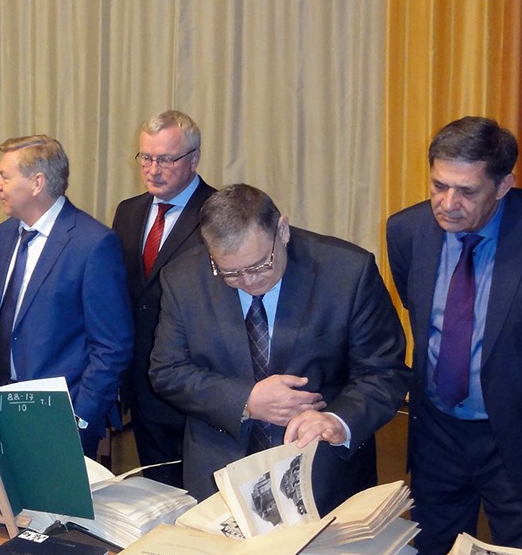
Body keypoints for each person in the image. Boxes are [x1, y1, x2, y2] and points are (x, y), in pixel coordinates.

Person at [150, 184, 408, 514]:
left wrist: (337, 420)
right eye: (229, 273)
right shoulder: (183, 279)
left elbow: (383, 372)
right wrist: (246, 400)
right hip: (219, 475)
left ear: (282, 230)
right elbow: (167, 371)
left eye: (260, 265)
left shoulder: (347, 272)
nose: (249, 282)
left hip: (322, 472)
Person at [386, 116, 522, 555]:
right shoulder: (405, 231)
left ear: (503, 185)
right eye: (438, 186)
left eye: (466, 191)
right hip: (436, 435)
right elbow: (422, 316)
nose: (447, 204)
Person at [0, 134, 132, 458]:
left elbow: (112, 347)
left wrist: (79, 418)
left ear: (37, 183)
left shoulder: (93, 244)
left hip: (59, 419)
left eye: (4, 177)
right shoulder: (5, 235)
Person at [111, 110, 216, 487]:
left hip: (195, 384)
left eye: (166, 160)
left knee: (199, 495)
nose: (153, 170)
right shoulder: (128, 212)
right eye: (146, 158)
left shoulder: (218, 213)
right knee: (156, 491)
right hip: (141, 383)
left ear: (194, 158)